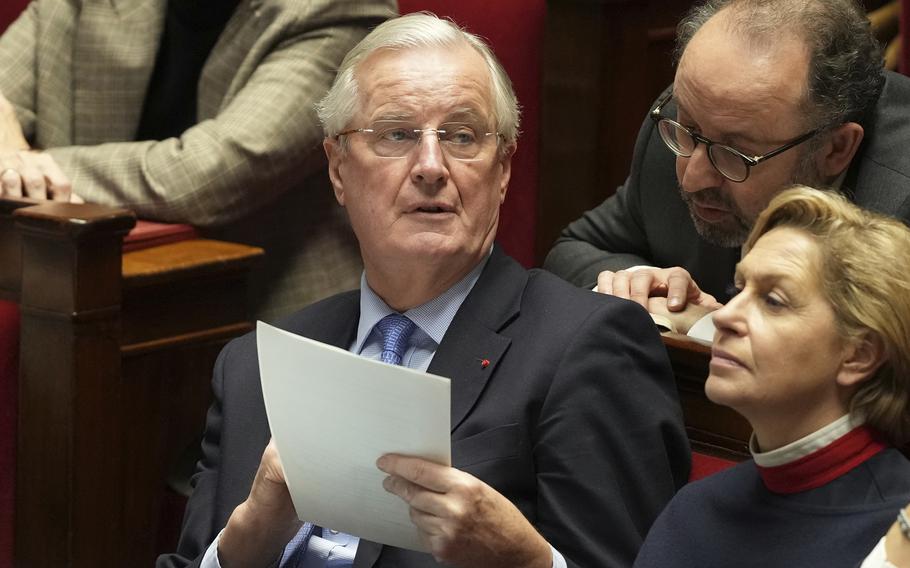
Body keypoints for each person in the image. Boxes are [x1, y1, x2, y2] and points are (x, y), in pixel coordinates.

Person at [157, 13, 690, 568]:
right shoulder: (253, 367)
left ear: (503, 169)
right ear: (338, 168)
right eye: (396, 134)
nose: (431, 166)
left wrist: (525, 560)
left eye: (462, 136)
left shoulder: (588, 346)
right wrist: (249, 535)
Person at [0, 0, 395, 320]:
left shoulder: (335, 8)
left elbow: (206, 175)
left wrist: (29, 165)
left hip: (259, 320)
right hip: (83, 296)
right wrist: (16, 159)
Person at [543, 0, 910, 338]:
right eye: (691, 130)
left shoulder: (900, 201)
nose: (692, 177)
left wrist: (709, 328)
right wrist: (640, 283)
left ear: (836, 149)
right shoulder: (684, 124)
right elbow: (576, 248)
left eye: (735, 153)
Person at [633, 186, 910, 567]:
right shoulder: (693, 512)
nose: (726, 316)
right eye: (739, 289)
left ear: (859, 355)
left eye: (774, 301)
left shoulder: (899, 532)